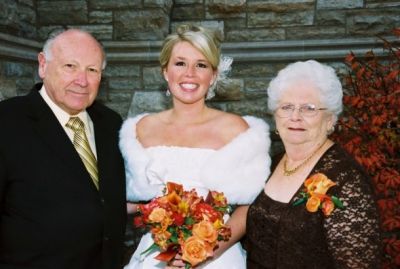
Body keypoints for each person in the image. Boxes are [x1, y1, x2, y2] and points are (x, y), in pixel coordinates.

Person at [119, 24, 271, 269]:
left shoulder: (237, 130)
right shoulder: (140, 130)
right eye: (180, 63)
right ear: (165, 72)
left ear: (212, 75)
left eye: (201, 65)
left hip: (217, 256)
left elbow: (250, 206)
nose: (189, 73)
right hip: (156, 256)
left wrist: (205, 250)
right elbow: (124, 199)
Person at [0, 29, 126, 269]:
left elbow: (103, 197)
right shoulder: (6, 122)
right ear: (43, 65)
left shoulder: (111, 124)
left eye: (92, 70)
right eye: (70, 66)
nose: (82, 80)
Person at [244, 60, 382, 268]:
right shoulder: (273, 162)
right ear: (275, 115)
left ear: (330, 120)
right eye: (287, 107)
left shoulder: (345, 180)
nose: (295, 117)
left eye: (309, 108)